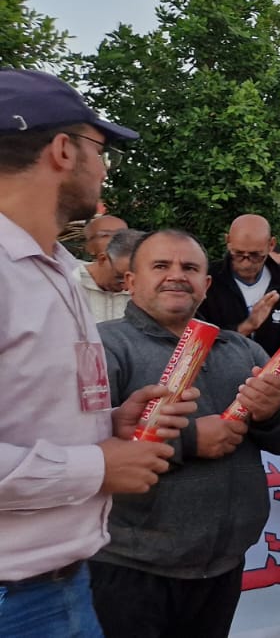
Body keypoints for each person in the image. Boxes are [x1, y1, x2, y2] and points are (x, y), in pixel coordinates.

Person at [0, 69, 198, 636]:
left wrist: (109, 424)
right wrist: (98, 464)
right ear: (62, 150)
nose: (105, 165)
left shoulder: (57, 268)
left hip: (62, 585)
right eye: (100, 147)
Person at [91, 230, 280, 638]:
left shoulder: (240, 350)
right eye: (160, 266)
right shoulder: (104, 347)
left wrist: (273, 412)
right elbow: (84, 446)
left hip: (223, 564)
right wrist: (188, 441)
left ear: (206, 285)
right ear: (130, 281)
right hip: (129, 567)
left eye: (189, 268)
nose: (177, 276)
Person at [197, 214, 280, 357]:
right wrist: (247, 327)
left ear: (271, 245)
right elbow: (196, 342)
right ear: (228, 241)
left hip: (274, 375)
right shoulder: (208, 279)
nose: (246, 262)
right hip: (218, 373)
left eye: (255, 255)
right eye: (238, 254)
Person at [77, 218, 135, 322]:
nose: (126, 287)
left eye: (121, 235)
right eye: (105, 235)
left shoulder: (143, 287)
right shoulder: (69, 283)